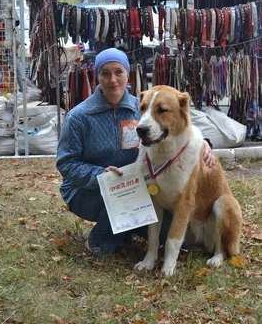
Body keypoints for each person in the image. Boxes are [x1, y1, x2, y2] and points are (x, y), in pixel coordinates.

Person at [56, 48, 215, 257]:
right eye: (105, 73)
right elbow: (66, 163)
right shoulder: (79, 116)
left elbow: (179, 123)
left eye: (118, 72)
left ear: (127, 74)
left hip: (136, 188)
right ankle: (101, 240)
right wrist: (100, 175)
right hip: (87, 192)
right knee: (121, 194)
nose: (113, 79)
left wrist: (203, 142)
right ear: (97, 77)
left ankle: (127, 230)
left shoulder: (142, 107)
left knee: (181, 234)